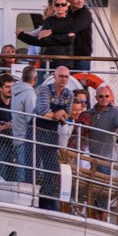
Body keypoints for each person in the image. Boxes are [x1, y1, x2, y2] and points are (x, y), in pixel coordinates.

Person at [32, 66, 77, 211]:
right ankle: (31, 201)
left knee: (52, 170)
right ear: (55, 76)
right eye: (61, 76)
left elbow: (69, 114)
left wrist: (60, 114)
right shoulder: (45, 89)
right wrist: (59, 115)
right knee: (32, 168)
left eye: (66, 77)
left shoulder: (69, 93)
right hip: (35, 132)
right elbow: (43, 111)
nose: (64, 79)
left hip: (52, 134)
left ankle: (47, 202)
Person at [10, 64, 39, 183]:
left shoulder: (16, 92)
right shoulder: (29, 94)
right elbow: (31, 118)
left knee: (21, 170)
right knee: (26, 173)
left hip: (17, 135)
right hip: (26, 138)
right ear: (35, 79)